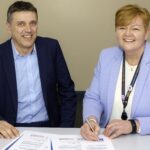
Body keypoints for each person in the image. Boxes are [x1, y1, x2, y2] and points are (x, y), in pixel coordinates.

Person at [0, 1, 76, 139]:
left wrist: (65, 130)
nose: (28, 29)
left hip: (50, 127)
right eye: (21, 24)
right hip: (11, 130)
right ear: (9, 27)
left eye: (33, 23)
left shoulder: (51, 48)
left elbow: (68, 91)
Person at [80, 4, 150, 140]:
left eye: (135, 28)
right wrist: (91, 121)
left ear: (146, 33)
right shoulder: (106, 57)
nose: (127, 33)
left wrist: (133, 125)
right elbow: (93, 97)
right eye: (122, 28)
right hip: (107, 139)